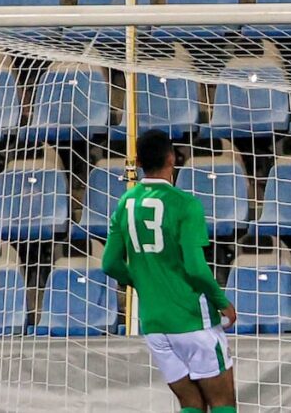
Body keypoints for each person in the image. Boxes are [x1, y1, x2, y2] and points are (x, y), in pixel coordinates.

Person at [102, 129, 238, 413]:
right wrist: (222, 302)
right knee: (223, 403)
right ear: (171, 158)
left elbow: (109, 264)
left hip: (154, 324)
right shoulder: (185, 204)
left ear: (137, 162)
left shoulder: (125, 204)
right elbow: (196, 268)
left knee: (191, 403)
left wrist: (141, 281)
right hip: (192, 320)